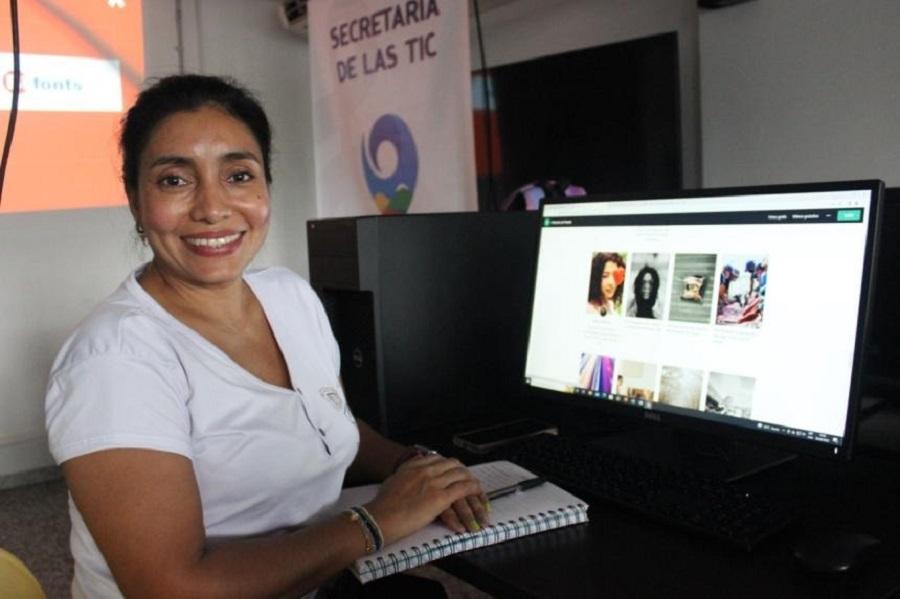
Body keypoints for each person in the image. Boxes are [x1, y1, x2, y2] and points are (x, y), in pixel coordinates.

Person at [44, 74, 489, 599]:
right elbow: (172, 588)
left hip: (319, 578)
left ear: (265, 187)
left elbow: (325, 420)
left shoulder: (288, 295)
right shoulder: (114, 361)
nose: (213, 208)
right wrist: (376, 522)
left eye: (238, 175)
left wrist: (411, 465)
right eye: (174, 180)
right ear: (136, 202)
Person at [586, 252, 625, 316]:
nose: (611, 283)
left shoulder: (610, 304)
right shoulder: (589, 309)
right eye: (605, 276)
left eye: (615, 276)